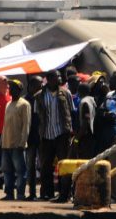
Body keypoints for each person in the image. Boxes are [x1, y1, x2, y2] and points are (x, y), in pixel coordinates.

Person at [35, 70, 72, 201]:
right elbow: (37, 116)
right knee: (46, 166)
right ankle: (47, 193)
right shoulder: (39, 95)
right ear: (49, 79)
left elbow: (71, 112)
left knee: (63, 165)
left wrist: (70, 131)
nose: (60, 78)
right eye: (57, 76)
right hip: (46, 134)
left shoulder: (66, 93)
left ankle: (64, 194)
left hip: (62, 134)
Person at [0, 79, 30, 201]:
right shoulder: (8, 104)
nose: (10, 89)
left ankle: (21, 194)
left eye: (13, 87)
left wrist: (22, 142)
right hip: (6, 144)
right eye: (10, 87)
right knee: (7, 171)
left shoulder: (24, 104)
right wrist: (1, 141)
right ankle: (9, 194)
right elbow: (5, 125)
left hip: (17, 144)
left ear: (19, 89)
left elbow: (26, 125)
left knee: (20, 171)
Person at [24, 75, 42, 201]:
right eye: (37, 85)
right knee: (30, 166)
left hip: (44, 137)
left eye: (41, 85)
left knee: (45, 166)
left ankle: (46, 192)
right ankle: (32, 193)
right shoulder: (25, 101)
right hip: (30, 137)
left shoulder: (43, 98)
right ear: (30, 86)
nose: (40, 87)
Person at [73, 82, 96, 159]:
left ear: (79, 91)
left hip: (84, 137)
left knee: (84, 159)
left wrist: (77, 139)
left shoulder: (84, 102)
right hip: (91, 135)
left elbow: (85, 122)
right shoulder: (92, 100)